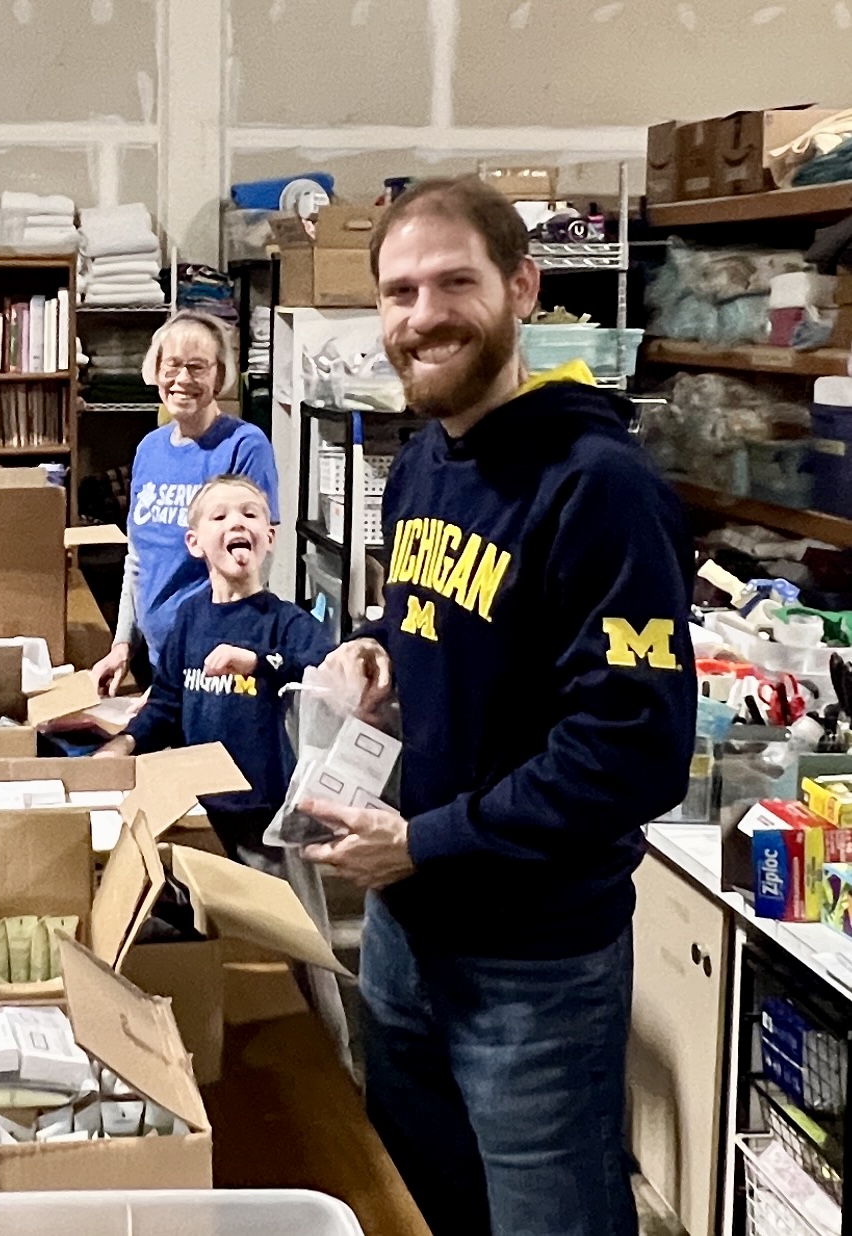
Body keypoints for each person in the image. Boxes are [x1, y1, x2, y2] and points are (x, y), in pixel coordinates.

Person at [307, 177, 696, 1236]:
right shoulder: (420, 464)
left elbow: (634, 750)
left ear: (522, 287)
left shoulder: (600, 486)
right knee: (419, 1208)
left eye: (453, 284)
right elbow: (442, 620)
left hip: (534, 970)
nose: (422, 315)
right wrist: (381, 647)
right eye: (399, 292)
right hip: (405, 936)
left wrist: (424, 843)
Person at [96, 474, 334, 869]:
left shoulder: (288, 622)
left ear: (269, 537)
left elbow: (323, 669)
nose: (237, 522)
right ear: (195, 543)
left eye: (250, 515)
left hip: (264, 814)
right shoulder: (190, 619)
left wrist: (258, 662)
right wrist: (125, 742)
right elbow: (166, 703)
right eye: (220, 516)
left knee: (276, 905)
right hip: (196, 807)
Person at [91, 310, 278, 695]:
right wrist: (123, 644)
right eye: (172, 365)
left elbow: (252, 564)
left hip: (212, 665)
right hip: (156, 660)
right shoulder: (149, 449)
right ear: (155, 371)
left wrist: (190, 675)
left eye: (197, 367)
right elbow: (138, 559)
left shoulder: (244, 446)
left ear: (219, 376)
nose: (182, 379)